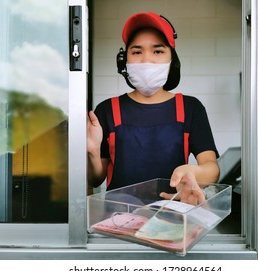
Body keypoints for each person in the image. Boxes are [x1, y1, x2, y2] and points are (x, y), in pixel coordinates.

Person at [87, 12, 219, 206]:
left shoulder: (190, 108)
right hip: (117, 221)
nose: (146, 60)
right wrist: (92, 151)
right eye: (137, 52)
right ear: (125, 61)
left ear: (172, 60)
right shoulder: (107, 110)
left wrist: (195, 172)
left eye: (157, 51)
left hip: (173, 219)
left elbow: (212, 168)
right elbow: (95, 179)